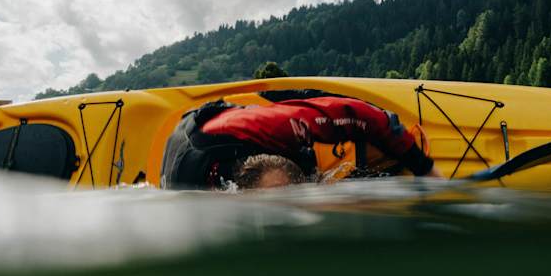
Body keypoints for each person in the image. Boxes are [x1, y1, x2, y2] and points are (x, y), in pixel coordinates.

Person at [160, 90, 441, 190]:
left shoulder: (280, 128)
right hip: (187, 158)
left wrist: (425, 169)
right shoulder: (204, 201)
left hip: (224, 129)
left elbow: (362, 116)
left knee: (368, 128)